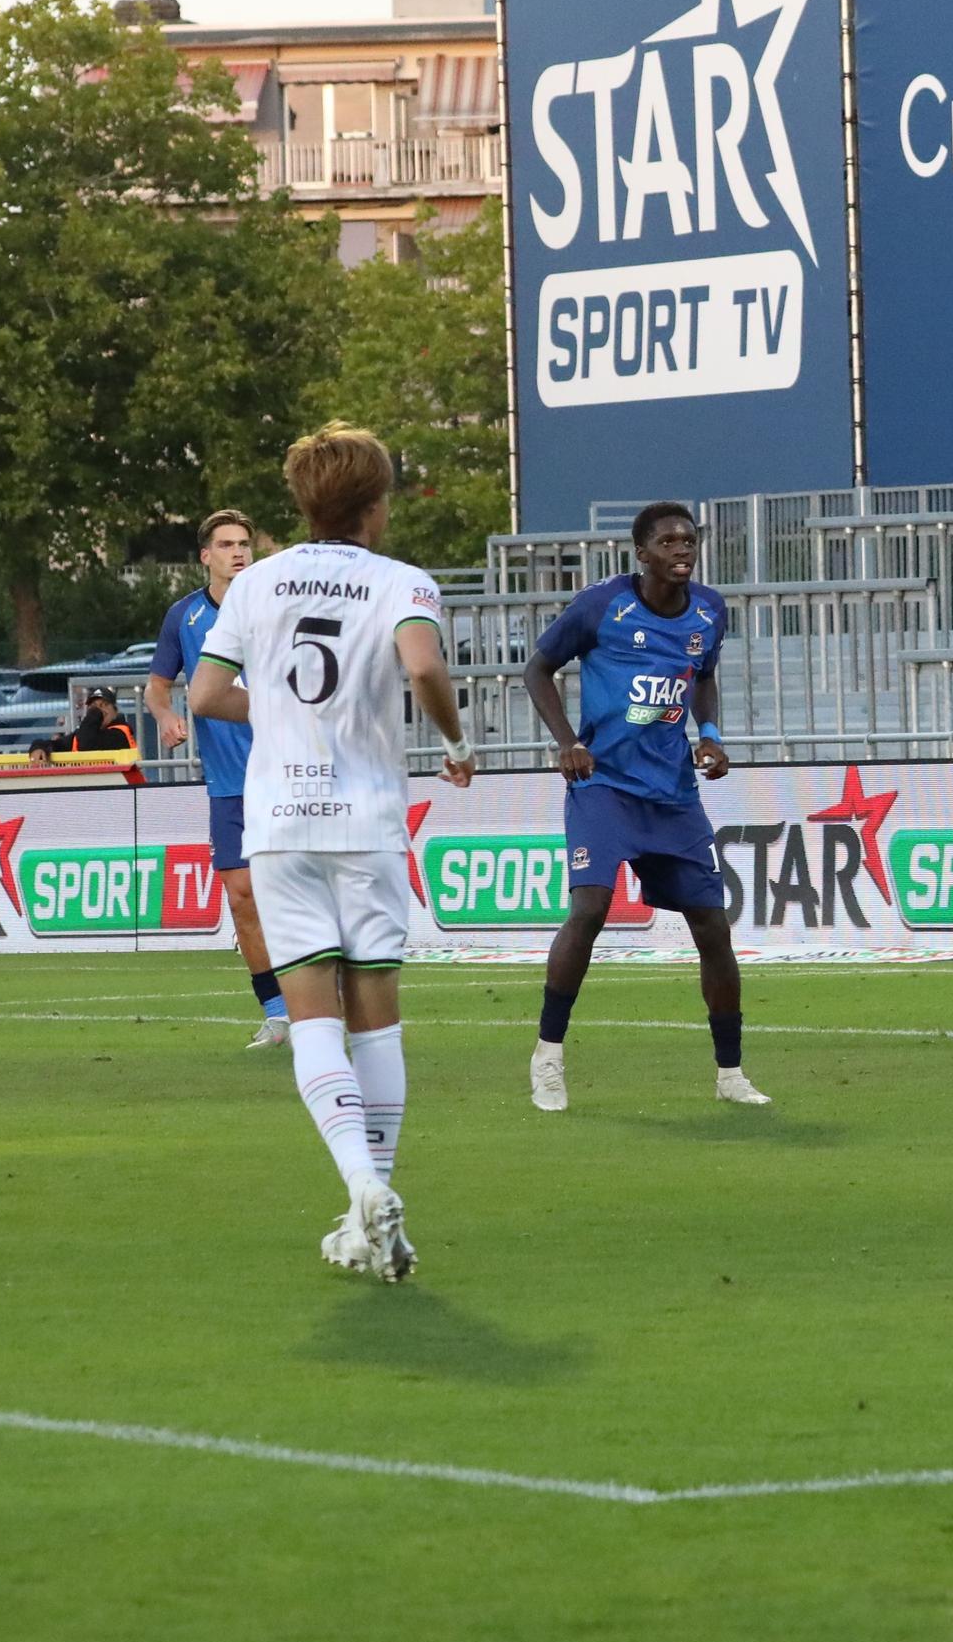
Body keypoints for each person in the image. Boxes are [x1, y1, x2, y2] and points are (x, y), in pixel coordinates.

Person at [189, 424, 476, 1281]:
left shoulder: (256, 581)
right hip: (367, 820)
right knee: (376, 1014)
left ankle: (362, 1195)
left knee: (312, 1017)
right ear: (376, 505)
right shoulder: (403, 582)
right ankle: (374, 1192)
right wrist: (454, 742)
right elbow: (423, 669)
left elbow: (206, 692)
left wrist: (277, 716)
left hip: (279, 825)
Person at [521, 501, 762, 1111]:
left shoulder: (709, 610)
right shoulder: (602, 605)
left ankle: (730, 1073)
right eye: (669, 541)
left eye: (690, 539)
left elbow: (701, 674)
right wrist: (568, 743)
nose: (683, 548)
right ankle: (548, 1056)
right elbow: (538, 668)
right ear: (643, 553)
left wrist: (710, 734)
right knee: (592, 907)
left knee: (712, 927)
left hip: (673, 793)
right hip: (603, 784)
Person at [149, 509, 289, 1048]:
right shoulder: (183, 617)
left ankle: (324, 999)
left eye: (245, 543)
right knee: (241, 896)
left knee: (298, 889)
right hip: (229, 782)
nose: (238, 552)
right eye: (227, 544)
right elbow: (158, 686)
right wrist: (166, 717)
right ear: (206, 556)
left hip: (286, 771)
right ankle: (277, 1013)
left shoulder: (275, 608)